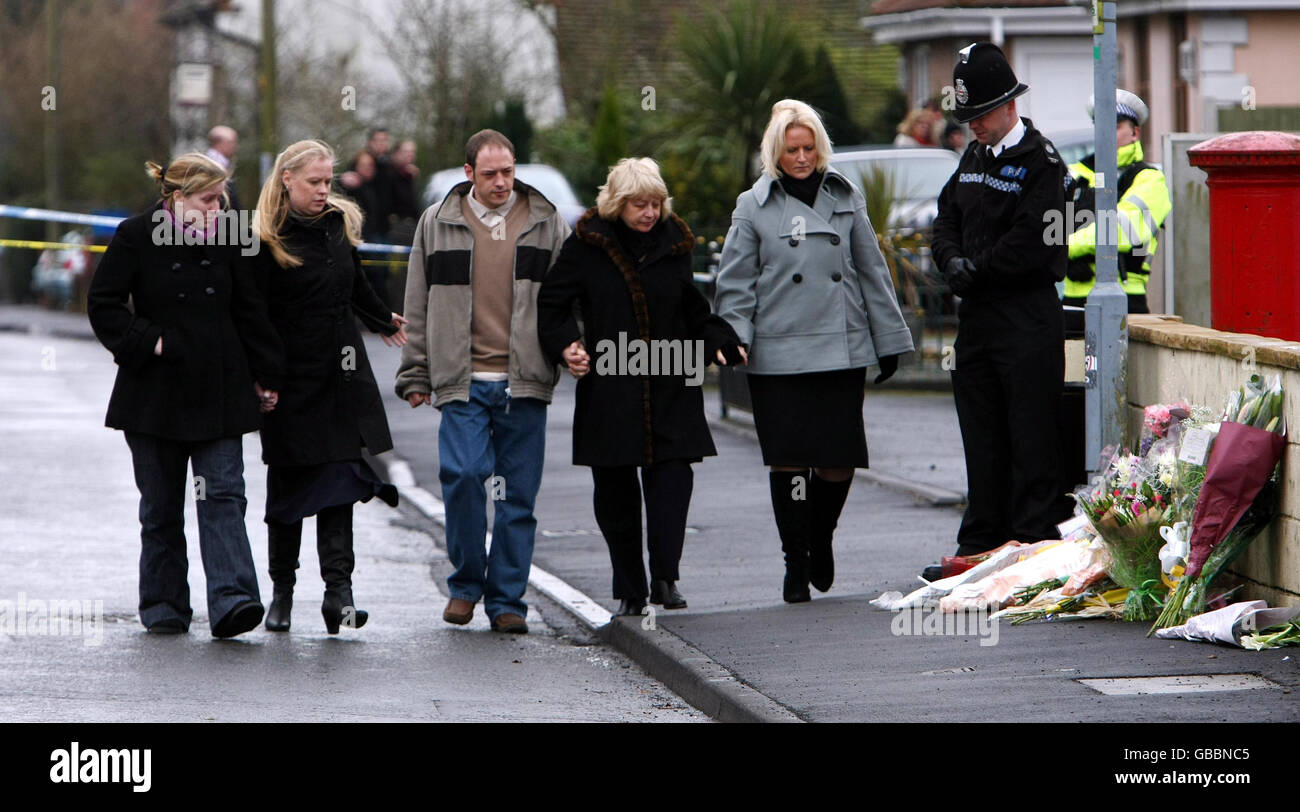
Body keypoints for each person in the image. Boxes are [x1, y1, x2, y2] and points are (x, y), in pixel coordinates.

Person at [715, 100, 914, 603]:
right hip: (778, 353)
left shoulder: (845, 196)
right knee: (788, 461)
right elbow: (736, 281)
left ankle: (820, 536)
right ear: (775, 153)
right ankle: (795, 560)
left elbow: (871, 270)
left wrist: (888, 339)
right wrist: (733, 334)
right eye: (792, 150)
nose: (802, 158)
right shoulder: (752, 205)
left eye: (809, 148)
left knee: (836, 460)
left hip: (840, 350)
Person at [537, 158, 744, 616]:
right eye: (639, 205)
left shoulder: (675, 243)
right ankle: (630, 587)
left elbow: (691, 306)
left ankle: (665, 578)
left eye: (656, 204)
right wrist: (567, 346)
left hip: (672, 379)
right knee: (615, 491)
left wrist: (719, 339)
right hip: (611, 386)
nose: (650, 213)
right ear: (617, 204)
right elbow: (552, 304)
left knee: (672, 480)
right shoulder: (588, 246)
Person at [88, 154, 283, 638]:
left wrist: (266, 374)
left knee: (223, 495)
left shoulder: (233, 237)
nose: (219, 208)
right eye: (208, 199)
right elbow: (103, 303)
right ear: (177, 198)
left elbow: (251, 310)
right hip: (154, 392)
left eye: (222, 199)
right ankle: (163, 605)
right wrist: (147, 341)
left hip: (220, 389)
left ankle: (233, 600)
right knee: (160, 506)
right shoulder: (136, 235)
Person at [396, 129, 570, 634]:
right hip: (462, 380)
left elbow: (564, 298)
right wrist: (415, 372)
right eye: (490, 173)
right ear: (468, 173)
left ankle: (508, 601)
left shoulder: (545, 222)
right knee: (465, 478)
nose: (501, 182)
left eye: (508, 172)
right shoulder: (438, 221)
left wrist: (572, 345)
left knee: (517, 496)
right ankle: (467, 583)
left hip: (525, 379)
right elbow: (417, 301)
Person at [253, 139, 409, 634]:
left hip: (342, 376)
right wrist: (265, 377)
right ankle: (282, 593)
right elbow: (255, 317)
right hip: (289, 382)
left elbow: (354, 282)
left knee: (341, 485)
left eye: (328, 182)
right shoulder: (264, 237)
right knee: (290, 488)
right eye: (314, 182)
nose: (324, 191)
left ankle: (339, 595)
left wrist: (382, 318)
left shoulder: (339, 225)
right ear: (287, 179)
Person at [928, 42, 1070, 567]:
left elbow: (1035, 241)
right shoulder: (974, 155)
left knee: (1031, 436)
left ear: (1010, 104)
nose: (974, 127)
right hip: (979, 321)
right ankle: (980, 542)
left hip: (1025, 317)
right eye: (967, 118)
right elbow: (946, 218)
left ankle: (1033, 542)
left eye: (981, 116)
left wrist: (976, 270)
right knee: (981, 434)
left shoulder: (1042, 162)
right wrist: (949, 260)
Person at [1062, 90, 1170, 314]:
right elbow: (1042, 231)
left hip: (1126, 300)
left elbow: (1120, 230)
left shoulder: (1149, 179)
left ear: (1135, 133)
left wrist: (1065, 247)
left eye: (1116, 125)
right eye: (1100, 125)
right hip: (1072, 301)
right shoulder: (1072, 175)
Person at [206, 125, 241, 211]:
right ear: (220, 143)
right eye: (232, 142)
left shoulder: (221, 162)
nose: (235, 146)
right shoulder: (213, 165)